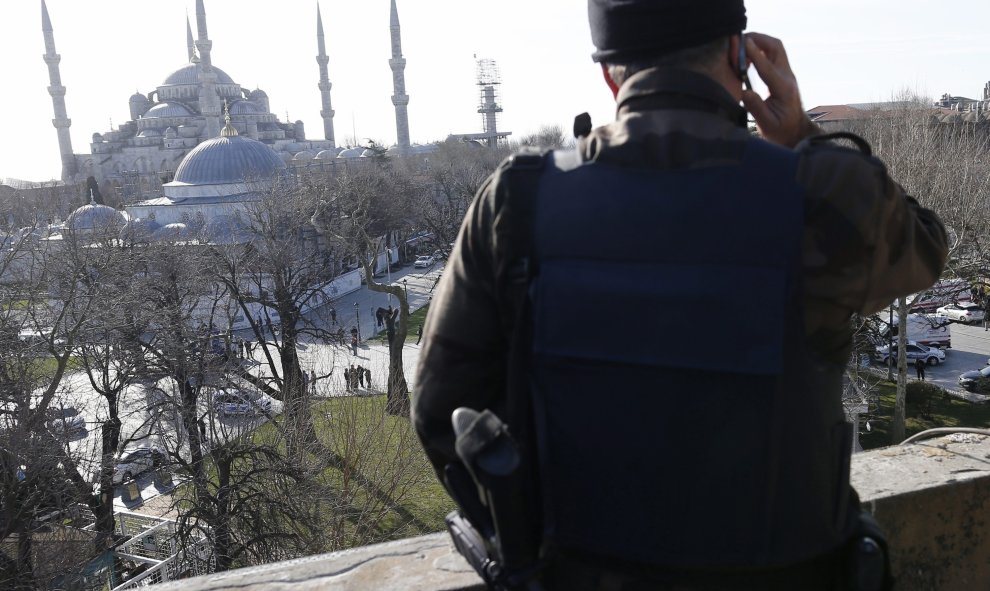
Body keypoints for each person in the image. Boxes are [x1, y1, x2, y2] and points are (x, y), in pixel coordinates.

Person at [413, 1, 948, 589]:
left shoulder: (518, 202)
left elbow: (445, 409)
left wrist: (535, 541)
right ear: (740, 55)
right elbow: (924, 250)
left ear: (610, 74)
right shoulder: (820, 194)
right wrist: (803, 137)